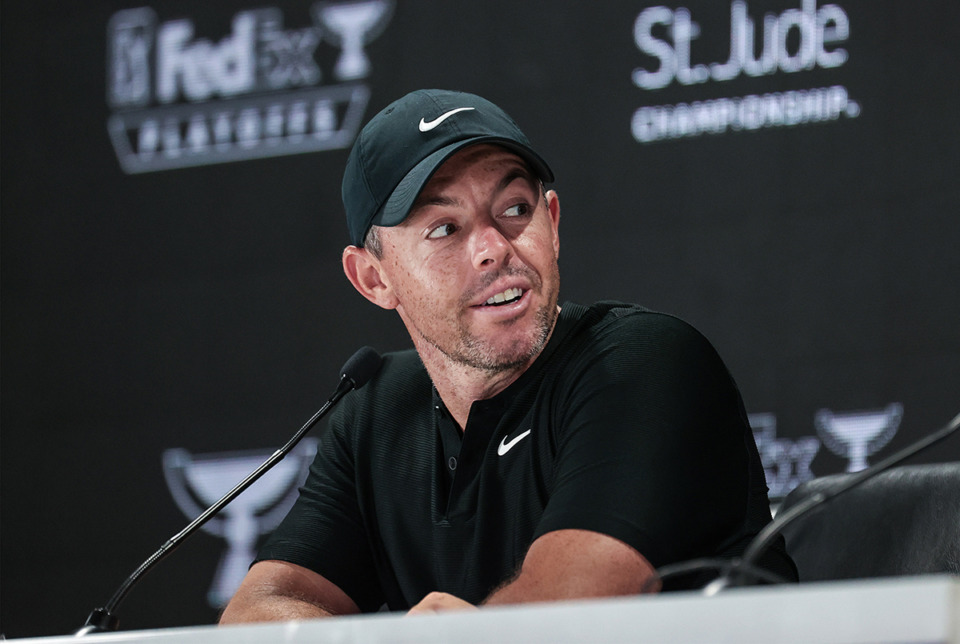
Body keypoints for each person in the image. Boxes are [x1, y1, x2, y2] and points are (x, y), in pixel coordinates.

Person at [219, 89, 796, 622]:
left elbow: (560, 617)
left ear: (553, 222)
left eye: (515, 209)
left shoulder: (644, 363)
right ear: (374, 278)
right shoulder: (374, 412)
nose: (495, 247)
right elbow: (257, 615)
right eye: (445, 228)